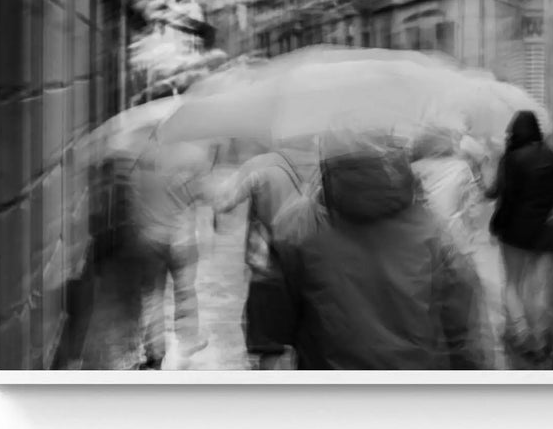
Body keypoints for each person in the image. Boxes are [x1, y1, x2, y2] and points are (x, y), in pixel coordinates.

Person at [244, 130, 490, 370]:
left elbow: (270, 322)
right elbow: (463, 327)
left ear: (326, 155)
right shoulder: (431, 228)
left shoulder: (295, 227)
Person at [213, 149, 319, 369]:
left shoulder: (260, 167)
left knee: (267, 342)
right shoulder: (312, 166)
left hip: (268, 269)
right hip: (305, 264)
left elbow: (225, 201)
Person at [486, 110, 553, 366]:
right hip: (545, 232)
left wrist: (496, 225)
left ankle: (521, 333)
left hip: (514, 231)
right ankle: (540, 336)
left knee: (513, 283)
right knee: (539, 286)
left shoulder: (511, 159)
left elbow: (502, 196)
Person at [128, 138, 213, 370]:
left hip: (149, 237)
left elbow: (133, 196)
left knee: (153, 294)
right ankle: (187, 340)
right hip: (181, 239)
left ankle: (154, 350)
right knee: (185, 291)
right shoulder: (194, 155)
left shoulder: (144, 157)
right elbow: (207, 195)